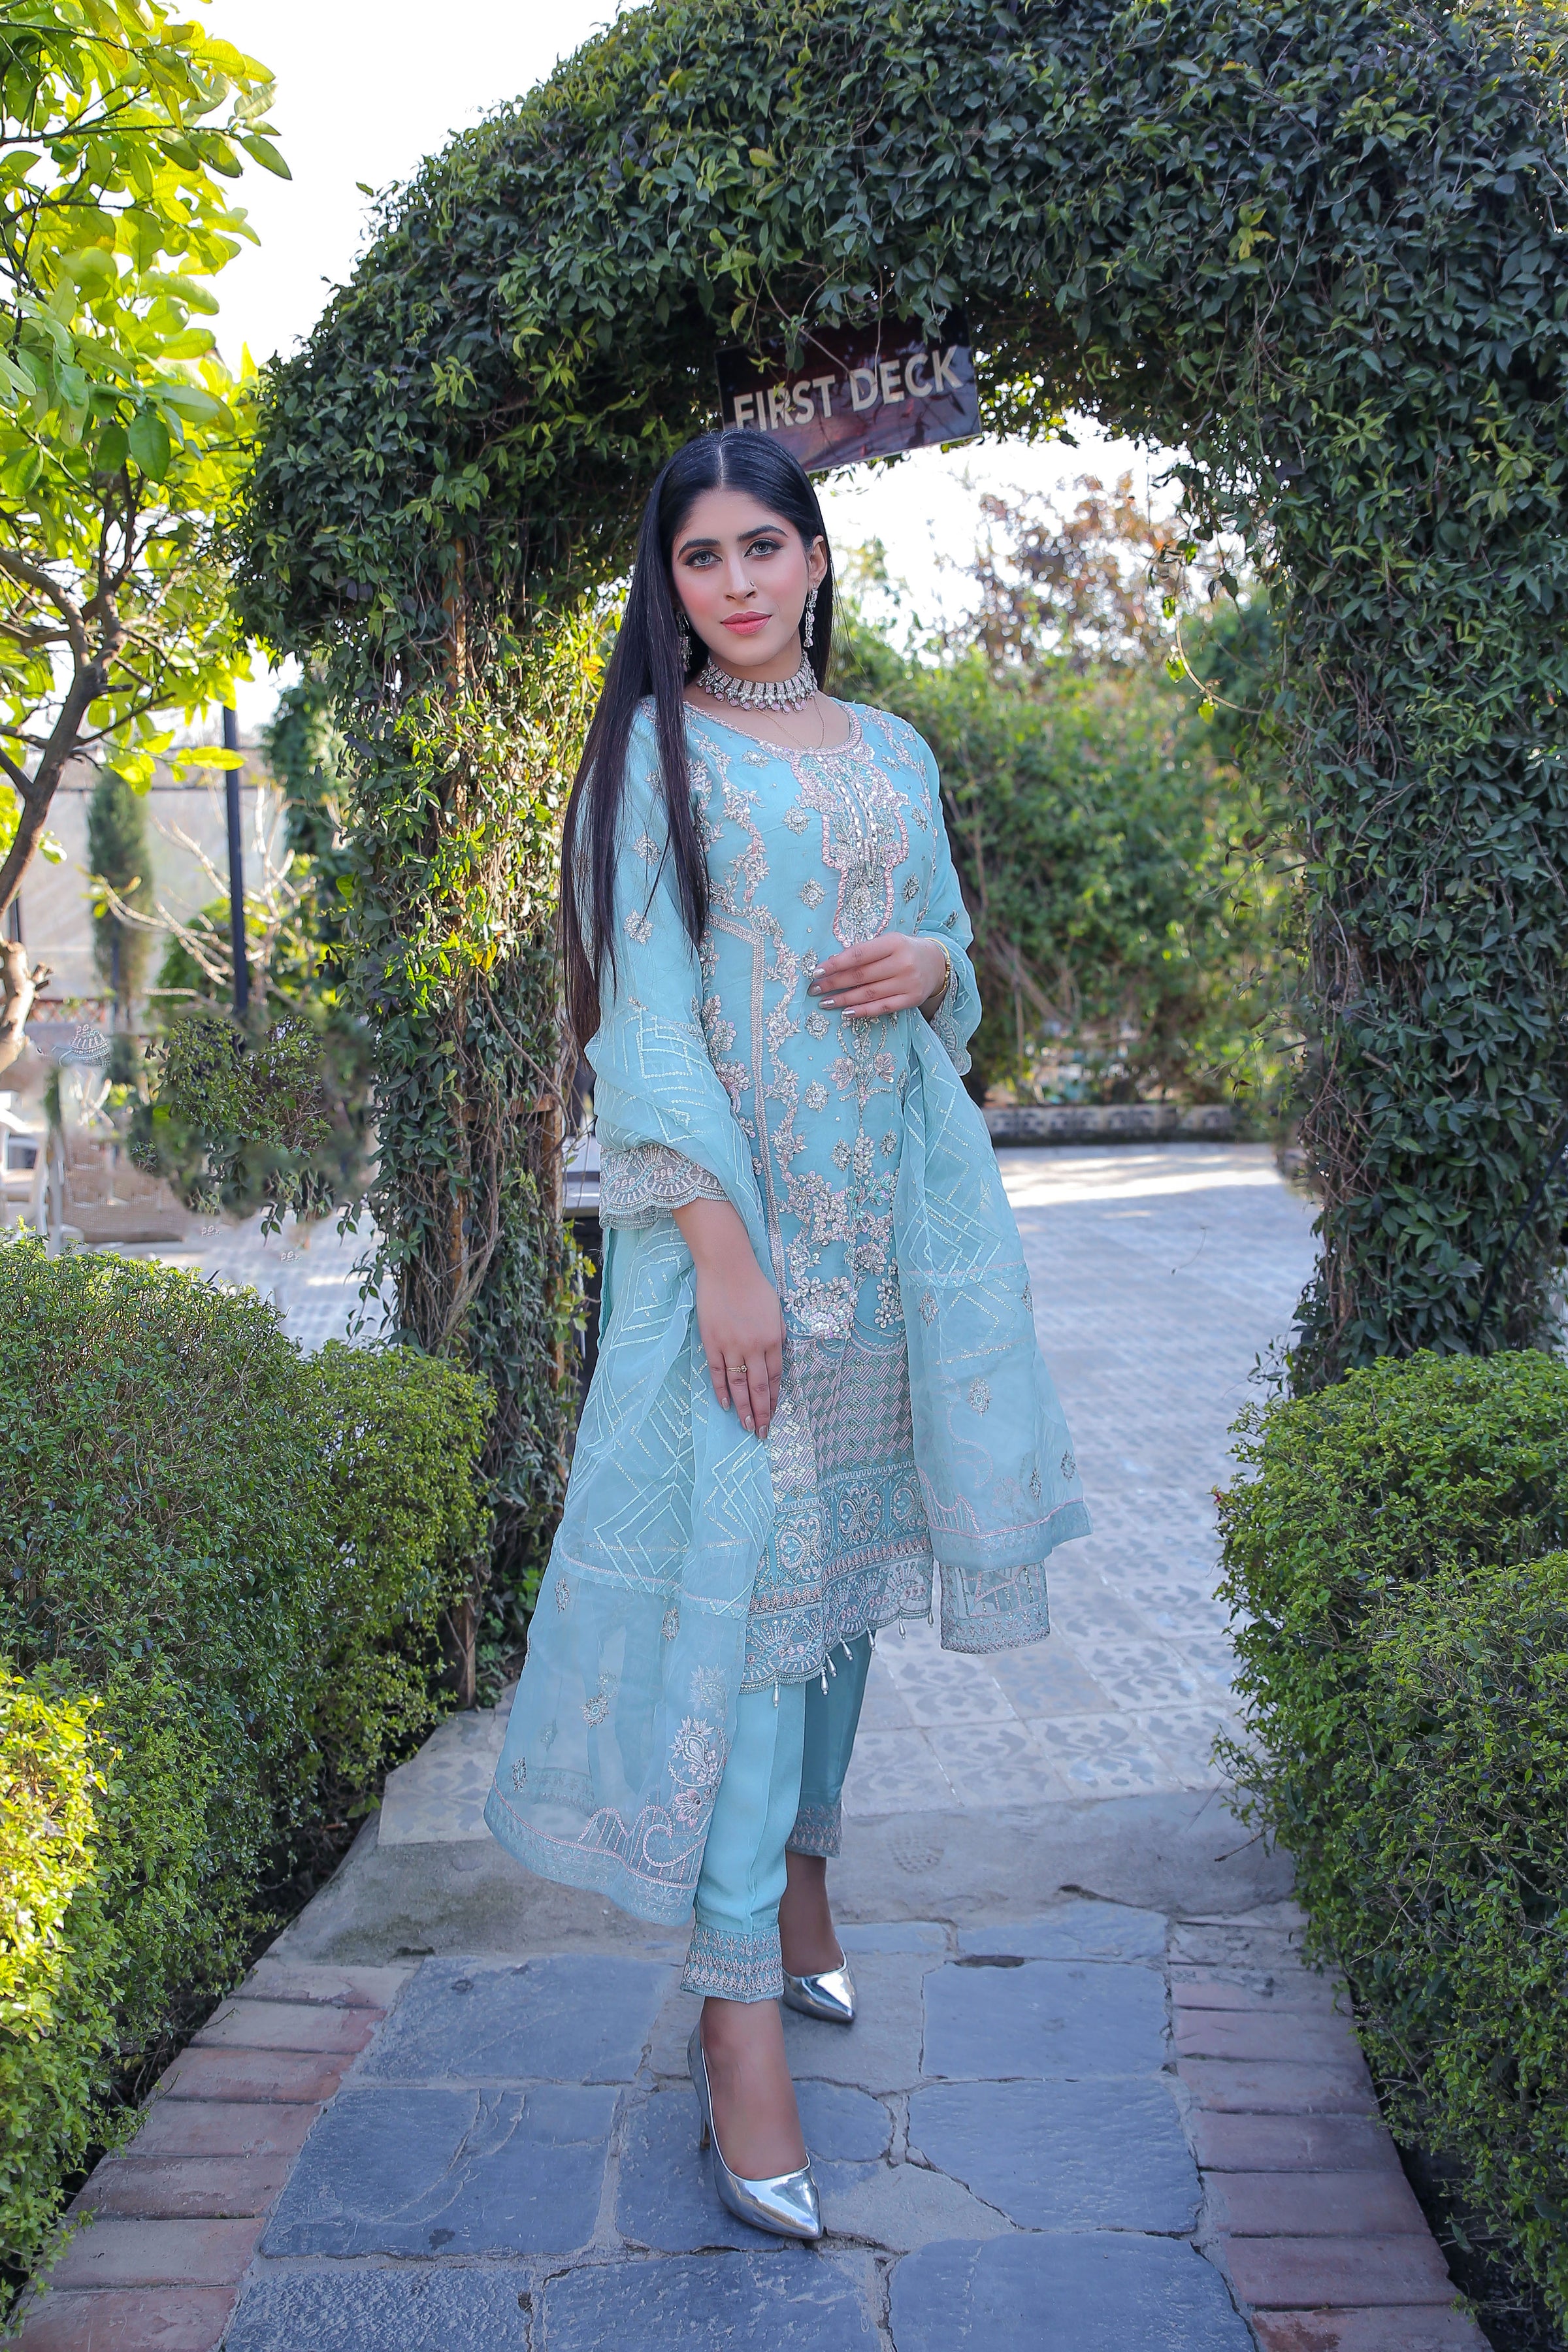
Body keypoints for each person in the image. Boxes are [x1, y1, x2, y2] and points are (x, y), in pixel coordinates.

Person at [486, 427, 1088, 2240]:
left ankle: (807, 1885)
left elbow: (946, 954)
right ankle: (734, 2009)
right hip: (733, 1244)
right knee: (754, 1615)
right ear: (669, 586)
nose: (738, 583)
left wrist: (937, 969)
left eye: (765, 547)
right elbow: (645, 1021)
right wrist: (723, 1253)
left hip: (893, 1227)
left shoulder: (895, 750)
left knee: (837, 1600)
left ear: (817, 558)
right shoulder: (649, 762)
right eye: (702, 558)